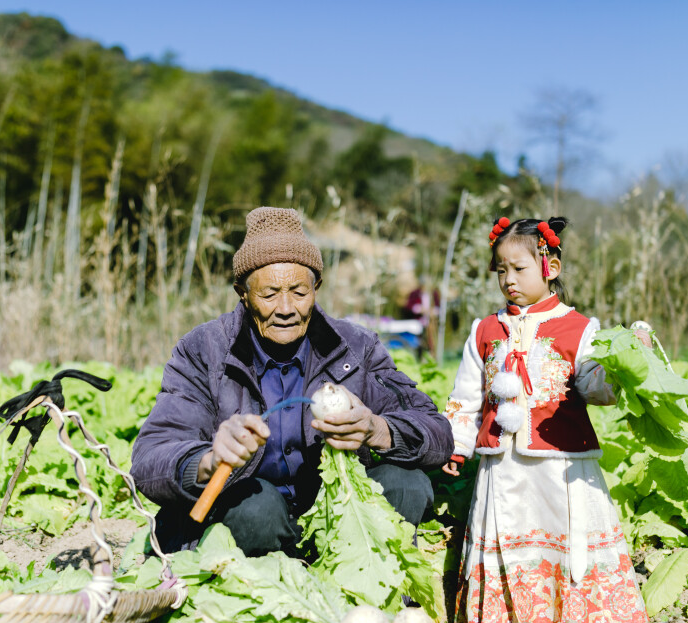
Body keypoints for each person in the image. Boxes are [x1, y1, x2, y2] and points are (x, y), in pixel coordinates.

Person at [131, 206, 454, 556]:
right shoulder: (204, 350)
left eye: (299, 292)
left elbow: (437, 433)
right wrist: (208, 460)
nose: (286, 308)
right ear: (242, 291)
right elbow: (150, 459)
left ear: (317, 287)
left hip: (341, 522)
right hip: (252, 529)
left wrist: (377, 429)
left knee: (406, 484)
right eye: (269, 294)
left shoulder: (357, 348)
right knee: (255, 507)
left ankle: (368, 586)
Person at [442, 216, 648, 623]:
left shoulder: (580, 328)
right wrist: (457, 444)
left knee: (564, 539)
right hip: (502, 468)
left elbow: (596, 387)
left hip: (562, 467)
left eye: (519, 269)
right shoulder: (485, 330)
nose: (508, 280)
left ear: (550, 267)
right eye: (501, 271)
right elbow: (467, 395)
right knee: (505, 535)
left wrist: (628, 361)